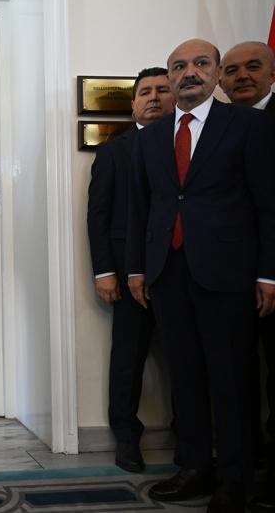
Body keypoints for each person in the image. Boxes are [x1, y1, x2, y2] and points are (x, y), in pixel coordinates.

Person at [126, 38, 275, 513]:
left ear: (215, 73)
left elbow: (268, 203)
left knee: (232, 378)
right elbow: (140, 208)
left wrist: (268, 274)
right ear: (170, 76)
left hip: (228, 273)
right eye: (178, 66)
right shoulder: (150, 137)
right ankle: (194, 466)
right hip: (167, 274)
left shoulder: (249, 125)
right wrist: (137, 268)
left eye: (200, 63)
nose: (188, 72)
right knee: (184, 375)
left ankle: (234, 477)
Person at [87, 67, 175, 473]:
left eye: (162, 90)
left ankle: (190, 440)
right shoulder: (112, 152)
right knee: (127, 358)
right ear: (134, 103)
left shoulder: (190, 144)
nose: (154, 97)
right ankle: (126, 439)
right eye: (145, 92)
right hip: (127, 275)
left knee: (186, 361)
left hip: (182, 272)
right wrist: (104, 271)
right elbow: (98, 215)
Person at [219, 40, 275, 513]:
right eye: (232, 69)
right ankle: (246, 468)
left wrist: (269, 273)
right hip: (230, 277)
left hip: (269, 273)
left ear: (272, 73)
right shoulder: (220, 125)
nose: (242, 77)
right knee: (239, 377)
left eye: (253, 67)